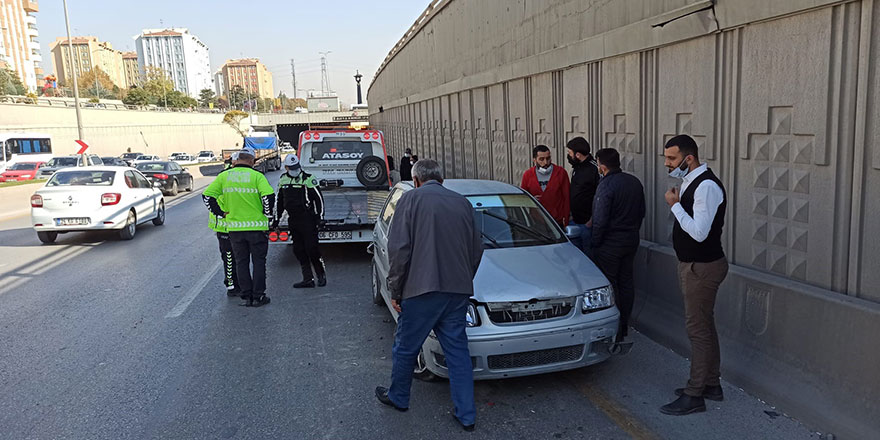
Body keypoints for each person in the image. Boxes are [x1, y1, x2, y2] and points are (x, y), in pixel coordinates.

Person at [375, 158, 483, 432]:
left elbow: (399, 251)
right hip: (456, 291)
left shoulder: (410, 201)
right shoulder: (462, 203)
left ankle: (399, 397)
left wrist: (395, 289)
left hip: (420, 291)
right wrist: (463, 278)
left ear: (416, 180)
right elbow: (476, 250)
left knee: (406, 348)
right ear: (441, 179)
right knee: (458, 353)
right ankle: (466, 415)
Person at [660, 134, 729, 416]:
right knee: (704, 327)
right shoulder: (691, 181)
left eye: (672, 159)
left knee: (697, 330)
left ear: (689, 158)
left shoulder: (707, 186)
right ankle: (711, 385)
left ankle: (694, 393)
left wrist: (674, 205)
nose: (667, 164)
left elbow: (700, 233)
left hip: (702, 268)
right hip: (695, 266)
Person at [203, 147, 276, 307]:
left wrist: (220, 213)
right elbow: (268, 197)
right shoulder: (257, 176)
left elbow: (207, 196)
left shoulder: (224, 177)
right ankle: (259, 296)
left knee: (241, 262)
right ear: (251, 161)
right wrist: (268, 215)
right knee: (258, 262)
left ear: (236, 161)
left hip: (234, 229)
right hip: (257, 228)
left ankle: (246, 296)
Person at [590, 148, 645, 345]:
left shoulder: (605, 185)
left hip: (610, 243)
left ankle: (616, 330)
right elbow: (641, 212)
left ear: (602, 166)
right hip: (631, 239)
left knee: (611, 284)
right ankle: (625, 325)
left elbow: (600, 219)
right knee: (627, 282)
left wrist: (595, 243)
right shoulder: (634, 182)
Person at [272, 154, 327, 288]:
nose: (294, 170)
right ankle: (308, 279)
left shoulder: (308, 179)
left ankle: (321, 274)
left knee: (312, 249)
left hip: (307, 219)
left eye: (296, 167)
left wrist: (320, 217)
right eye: (291, 168)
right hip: (293, 220)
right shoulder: (283, 179)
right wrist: (276, 220)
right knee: (298, 250)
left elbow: (319, 199)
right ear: (286, 168)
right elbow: (279, 201)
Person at [520, 145, 570, 227]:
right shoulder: (528, 175)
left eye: (548, 158)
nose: (545, 162)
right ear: (534, 160)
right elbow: (523, 198)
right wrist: (532, 200)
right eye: (541, 159)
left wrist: (566, 219)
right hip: (537, 220)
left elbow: (566, 197)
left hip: (557, 220)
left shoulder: (561, 172)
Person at [566, 137, 600, 254]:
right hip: (574, 221)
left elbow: (600, 197)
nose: (569, 156)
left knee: (588, 256)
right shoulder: (577, 168)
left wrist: (591, 221)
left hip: (587, 224)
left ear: (578, 155)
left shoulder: (595, 168)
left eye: (570, 153)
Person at [203, 187, 238, 297]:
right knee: (232, 257)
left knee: (230, 258)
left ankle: (234, 285)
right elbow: (207, 196)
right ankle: (232, 286)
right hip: (228, 227)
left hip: (227, 228)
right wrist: (220, 213)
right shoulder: (226, 183)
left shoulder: (221, 182)